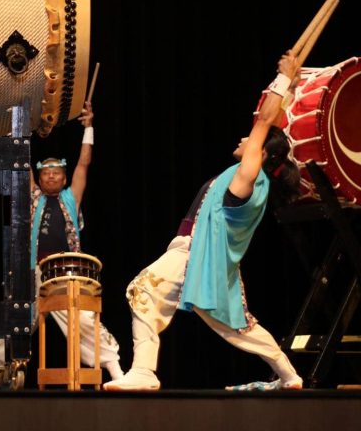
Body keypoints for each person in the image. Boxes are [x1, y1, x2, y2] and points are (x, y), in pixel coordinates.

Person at [104, 50, 304, 391]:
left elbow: (263, 123)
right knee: (237, 325)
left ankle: (144, 371)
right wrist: (290, 85)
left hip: (197, 254)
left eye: (252, 142)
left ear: (263, 155)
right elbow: (268, 125)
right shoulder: (248, 179)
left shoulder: (248, 180)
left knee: (143, 288)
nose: (244, 139)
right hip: (199, 255)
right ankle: (289, 375)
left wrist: (284, 78)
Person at [0, 101, 124, 388]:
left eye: (57, 173)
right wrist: (19, 132)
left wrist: (88, 126)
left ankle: (116, 371)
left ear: (64, 179)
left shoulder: (71, 198)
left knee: (84, 321)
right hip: (35, 271)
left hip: (66, 272)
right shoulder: (34, 198)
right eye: (46, 173)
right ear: (40, 178)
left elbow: (84, 163)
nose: (51, 176)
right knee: (17, 317)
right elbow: (21, 163)